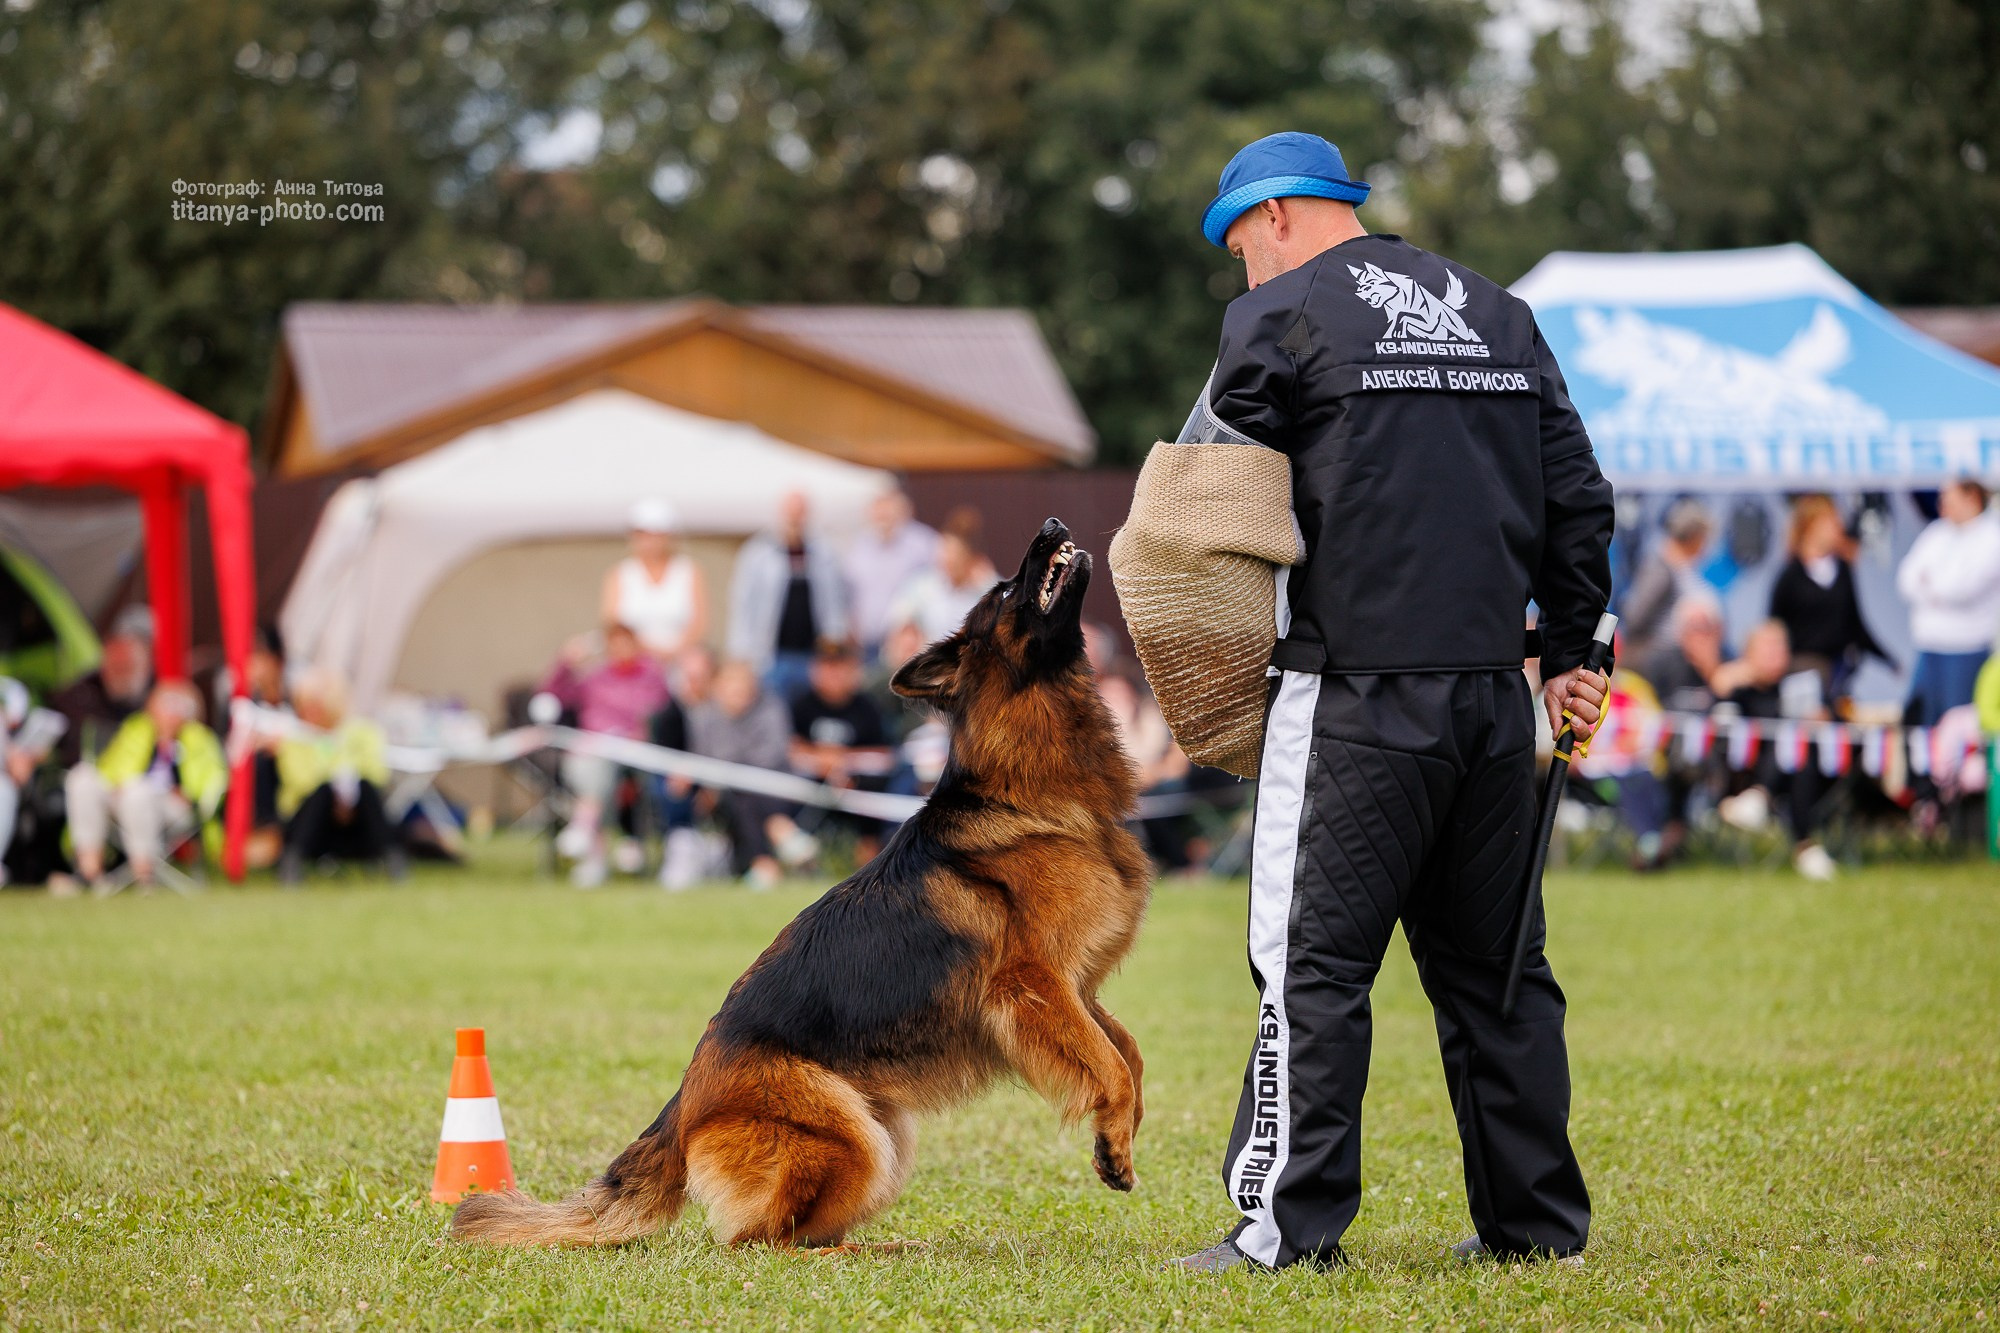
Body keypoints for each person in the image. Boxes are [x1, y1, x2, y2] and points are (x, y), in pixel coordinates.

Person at [1170, 132, 1612, 1273]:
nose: (1241, 276)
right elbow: (1577, 494)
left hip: (1351, 699)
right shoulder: (1500, 314)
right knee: (1496, 971)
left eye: (1236, 249)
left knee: (1306, 966)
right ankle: (1532, 1228)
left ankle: (1284, 1231)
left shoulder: (1277, 315)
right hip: (1490, 701)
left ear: (1272, 215)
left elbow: (1202, 498)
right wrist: (1571, 653)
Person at [60, 679, 226, 892]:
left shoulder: (200, 738)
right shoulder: (136, 729)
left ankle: (144, 874)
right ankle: (89, 869)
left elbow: (214, 779)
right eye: (166, 703)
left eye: (178, 704)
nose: (171, 711)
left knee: (138, 790)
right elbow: (110, 767)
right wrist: (117, 784)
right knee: (82, 777)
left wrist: (191, 793)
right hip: (123, 798)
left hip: (173, 805)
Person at [542, 623, 671, 888]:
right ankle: (596, 839)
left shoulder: (653, 677)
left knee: (609, 773)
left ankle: (584, 828)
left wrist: (640, 731)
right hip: (594, 750)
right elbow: (552, 695)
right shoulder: (594, 678)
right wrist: (566, 662)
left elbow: (660, 716)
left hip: (635, 754)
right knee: (593, 769)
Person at [1710, 619, 1836, 881]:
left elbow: (1836, 719)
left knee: (1798, 752)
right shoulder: (1739, 691)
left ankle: (1762, 800)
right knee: (1787, 747)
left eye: (1780, 648)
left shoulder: (1801, 686)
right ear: (1748, 655)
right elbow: (1713, 730)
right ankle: (1805, 846)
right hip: (1744, 776)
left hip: (1802, 780)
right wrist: (1720, 687)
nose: (1775, 655)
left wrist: (1823, 718)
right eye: (1767, 648)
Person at [686, 660, 818, 888]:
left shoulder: (772, 708)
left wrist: (733, 768)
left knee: (748, 797)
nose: (740, 697)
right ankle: (782, 833)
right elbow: (703, 758)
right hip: (727, 792)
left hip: (775, 785)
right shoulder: (704, 716)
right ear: (719, 689)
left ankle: (764, 864)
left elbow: (773, 754)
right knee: (742, 796)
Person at [276, 668, 400, 884]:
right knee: (323, 791)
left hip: (354, 821)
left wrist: (347, 788)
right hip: (311, 820)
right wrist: (334, 787)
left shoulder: (363, 732)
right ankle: (292, 860)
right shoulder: (295, 737)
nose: (308, 713)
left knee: (365, 788)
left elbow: (377, 773)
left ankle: (391, 855)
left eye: (315, 706)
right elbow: (298, 780)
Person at [727, 491, 849, 706]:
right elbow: (743, 604)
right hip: (770, 654)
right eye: (791, 513)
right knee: (773, 708)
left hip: (812, 654)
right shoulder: (758, 553)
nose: (795, 519)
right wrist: (741, 653)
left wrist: (834, 643)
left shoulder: (823, 552)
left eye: (800, 513)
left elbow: (835, 601)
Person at [1768, 494, 1891, 705]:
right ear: (1811, 527)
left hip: (1839, 667)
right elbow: (1774, 625)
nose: (1838, 527)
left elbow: (1855, 622)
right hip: (1801, 670)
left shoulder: (1842, 570)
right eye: (1831, 522)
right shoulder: (1791, 575)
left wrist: (1888, 660)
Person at [1896, 478, 2000, 726]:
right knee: (1921, 721)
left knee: (1956, 725)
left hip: (1966, 649)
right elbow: (1906, 579)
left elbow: (1963, 588)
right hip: (1928, 644)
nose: (1942, 503)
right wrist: (1937, 589)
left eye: (1948, 496)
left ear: (1971, 497)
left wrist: (1929, 584)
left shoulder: (1990, 536)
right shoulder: (1937, 532)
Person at [788, 640, 893, 863]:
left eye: (840, 667)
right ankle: (800, 856)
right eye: (827, 666)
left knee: (874, 792)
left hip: (855, 784)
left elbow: (883, 754)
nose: (833, 674)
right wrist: (822, 760)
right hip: (811, 782)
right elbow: (790, 747)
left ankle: (869, 862)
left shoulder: (867, 707)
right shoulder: (802, 704)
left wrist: (842, 761)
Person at [603, 499, 708, 664]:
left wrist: (674, 652)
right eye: (643, 534)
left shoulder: (689, 570)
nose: (650, 541)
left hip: (681, 660)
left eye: (657, 534)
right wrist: (647, 652)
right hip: (634, 662)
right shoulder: (620, 574)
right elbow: (613, 625)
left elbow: (699, 624)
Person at [49, 603, 154, 769]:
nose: (118, 674)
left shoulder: (161, 701)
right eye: (113, 664)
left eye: (127, 666)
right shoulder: (77, 697)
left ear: (149, 663)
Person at [650, 644, 719, 890]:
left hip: (719, 777)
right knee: (665, 787)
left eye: (699, 677)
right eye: (688, 676)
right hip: (682, 778)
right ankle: (682, 844)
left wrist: (712, 783)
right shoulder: (669, 712)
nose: (693, 683)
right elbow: (665, 751)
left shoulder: (721, 710)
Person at [843, 488, 939, 662]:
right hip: (866, 642)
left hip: (905, 644)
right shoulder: (860, 545)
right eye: (878, 510)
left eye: (887, 510)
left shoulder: (922, 544)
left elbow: (937, 584)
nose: (882, 516)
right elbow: (850, 591)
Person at [1622, 499, 1714, 676]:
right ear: (1694, 538)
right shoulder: (1661, 569)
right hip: (1651, 660)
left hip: (1667, 658)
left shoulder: (1678, 567)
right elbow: (1635, 615)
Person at [886, 507, 998, 645]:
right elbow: (895, 619)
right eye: (944, 554)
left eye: (954, 557)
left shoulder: (986, 589)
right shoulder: (923, 585)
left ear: (970, 559)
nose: (946, 562)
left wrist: (990, 584)